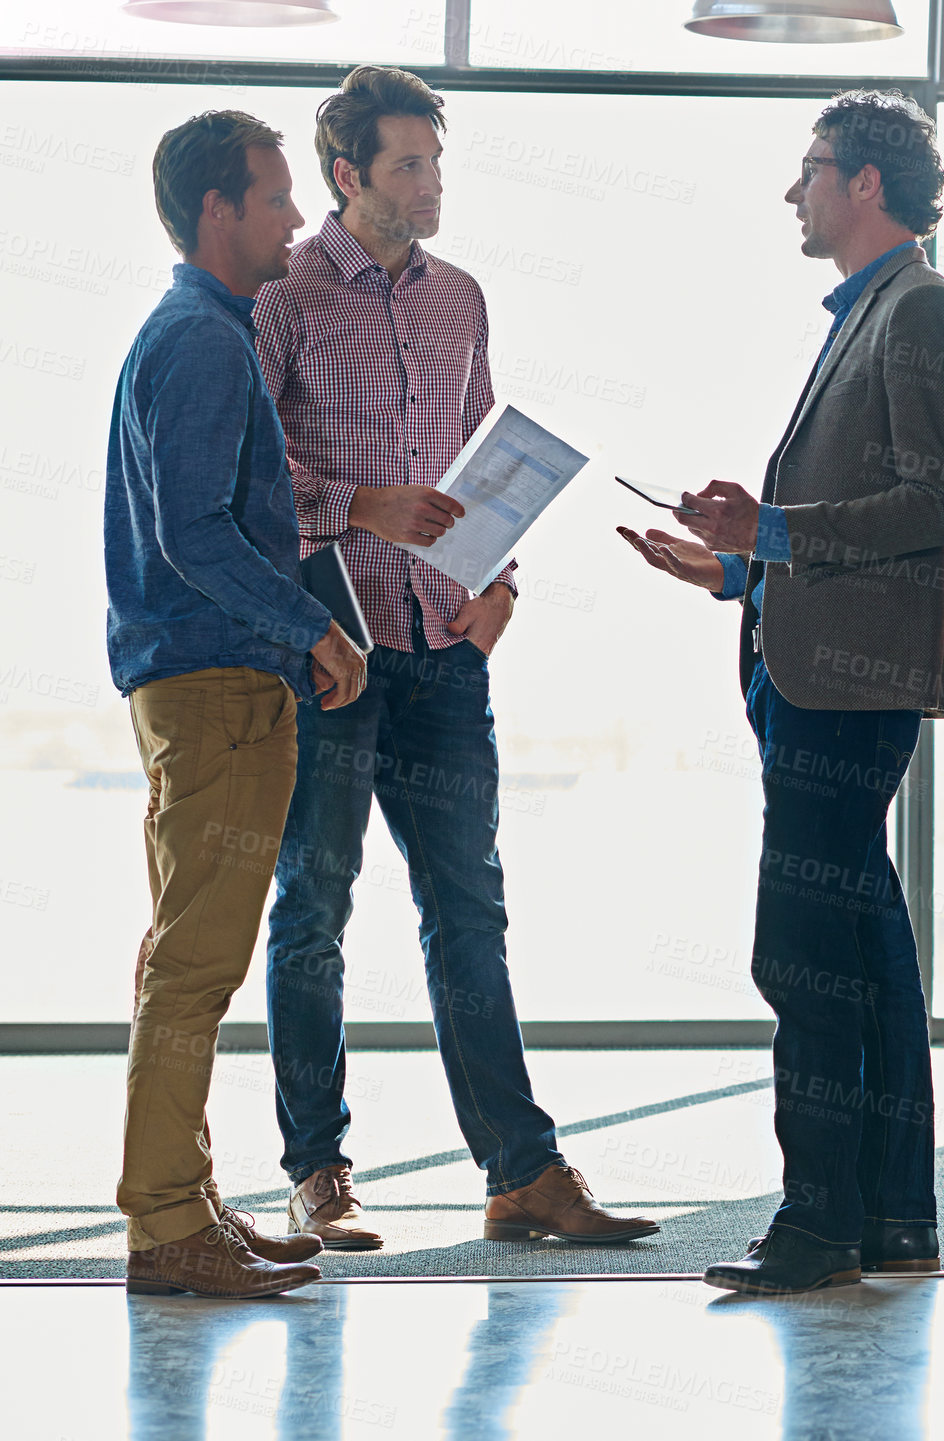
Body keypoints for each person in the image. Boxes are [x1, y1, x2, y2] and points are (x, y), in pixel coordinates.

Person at [254, 65, 657, 1250]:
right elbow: (244, 478)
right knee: (314, 911)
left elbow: (484, 464)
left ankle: (522, 1173)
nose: (431, 183)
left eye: (437, 161)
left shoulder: (460, 300)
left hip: (446, 649)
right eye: (408, 165)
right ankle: (317, 1171)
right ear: (347, 175)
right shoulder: (280, 295)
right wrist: (356, 507)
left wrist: (503, 584)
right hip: (333, 652)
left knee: (469, 914)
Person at [620, 90, 944, 1295]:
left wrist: (771, 525)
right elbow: (863, 515)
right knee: (862, 947)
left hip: (846, 692)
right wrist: (736, 565)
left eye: (811, 169)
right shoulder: (874, 312)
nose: (795, 191)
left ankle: (820, 1221)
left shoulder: (922, 311)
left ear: (866, 183)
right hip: (814, 675)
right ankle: (892, 1218)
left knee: (801, 952)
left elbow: (930, 506)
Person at [107, 109, 369, 1299]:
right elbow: (194, 532)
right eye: (276, 195)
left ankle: (188, 1198)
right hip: (216, 686)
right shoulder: (206, 345)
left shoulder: (196, 331)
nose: (298, 216)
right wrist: (308, 622)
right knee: (197, 966)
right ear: (218, 209)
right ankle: (167, 1221)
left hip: (204, 681)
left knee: (192, 956)